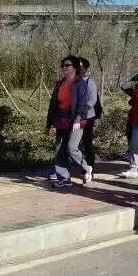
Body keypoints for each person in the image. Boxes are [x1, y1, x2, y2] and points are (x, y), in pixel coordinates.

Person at [46, 56, 92, 188]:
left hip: (77, 120)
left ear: (75, 67)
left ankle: (86, 168)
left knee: (71, 148)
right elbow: (53, 105)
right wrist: (48, 124)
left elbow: (83, 104)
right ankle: (64, 178)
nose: (64, 67)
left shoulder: (80, 83)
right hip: (61, 120)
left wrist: (78, 119)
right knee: (59, 149)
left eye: (67, 65)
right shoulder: (59, 84)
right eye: (63, 65)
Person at [76, 57, 99, 181]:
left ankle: (89, 167)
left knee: (87, 143)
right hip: (74, 117)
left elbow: (92, 100)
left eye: (80, 66)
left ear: (85, 68)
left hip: (87, 117)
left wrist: (81, 111)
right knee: (74, 144)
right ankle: (82, 166)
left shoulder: (90, 82)